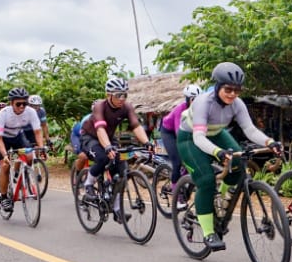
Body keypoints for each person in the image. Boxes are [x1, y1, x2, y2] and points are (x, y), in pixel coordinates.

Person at [177, 63, 283, 251]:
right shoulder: (203, 102)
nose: (233, 94)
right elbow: (199, 138)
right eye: (228, 89)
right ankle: (209, 233)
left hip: (216, 133)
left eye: (237, 90)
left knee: (238, 167)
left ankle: (222, 199)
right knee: (207, 180)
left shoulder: (237, 104)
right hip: (190, 139)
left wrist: (269, 142)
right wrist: (218, 152)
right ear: (218, 86)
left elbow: (249, 129)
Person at [80, 77, 152, 220]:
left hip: (109, 137)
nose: (122, 98)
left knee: (121, 168)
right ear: (109, 95)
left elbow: (136, 126)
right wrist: (107, 147)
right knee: (102, 157)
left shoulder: (127, 107)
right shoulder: (99, 106)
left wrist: (147, 143)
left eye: (125, 95)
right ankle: (88, 184)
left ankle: (117, 209)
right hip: (91, 137)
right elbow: (100, 129)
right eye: (118, 95)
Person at [0, 87, 46, 212]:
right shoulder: (3, 114)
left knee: (29, 156)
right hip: (3, 139)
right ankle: (4, 196)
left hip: (18, 136)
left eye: (25, 103)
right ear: (11, 103)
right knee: (5, 165)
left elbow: (38, 132)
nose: (22, 106)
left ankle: (24, 174)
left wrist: (41, 147)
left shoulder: (30, 112)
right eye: (18, 104)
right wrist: (5, 155)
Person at [160, 84, 203, 192]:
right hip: (169, 133)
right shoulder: (181, 109)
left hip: (185, 134)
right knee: (177, 162)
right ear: (188, 99)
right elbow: (179, 132)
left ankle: (183, 181)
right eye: (193, 99)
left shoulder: (200, 110)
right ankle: (176, 195)